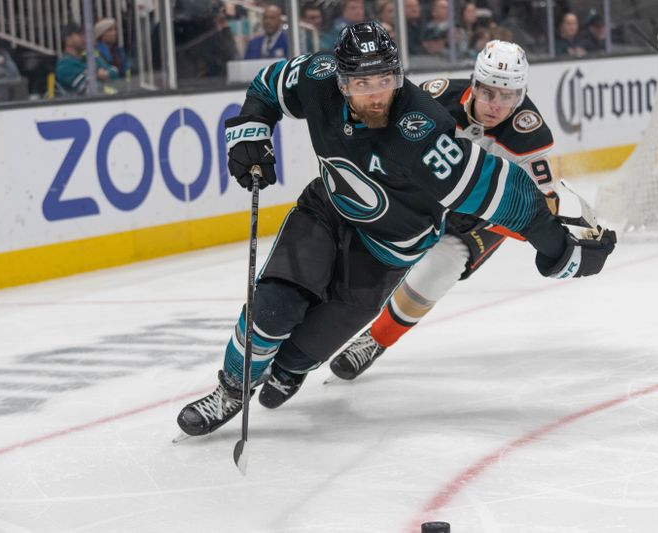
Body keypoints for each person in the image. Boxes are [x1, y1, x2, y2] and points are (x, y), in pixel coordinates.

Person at [175, 22, 616, 438]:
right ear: (341, 82)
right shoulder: (317, 76)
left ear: (400, 76)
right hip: (326, 212)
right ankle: (231, 390)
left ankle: (292, 367)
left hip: (388, 250)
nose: (376, 96)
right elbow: (268, 85)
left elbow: (513, 198)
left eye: (385, 80)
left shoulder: (422, 133)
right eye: (363, 84)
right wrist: (251, 128)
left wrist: (563, 253)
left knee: (308, 347)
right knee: (274, 306)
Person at [330, 40, 588, 380]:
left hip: (484, 214)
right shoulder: (433, 98)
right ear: (474, 84)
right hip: (423, 194)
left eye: (508, 96)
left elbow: (542, 210)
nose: (496, 105)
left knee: (445, 262)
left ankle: (375, 341)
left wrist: (494, 218)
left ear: (521, 94)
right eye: (489, 92)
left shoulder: (530, 135)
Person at [55, 22, 119, 96]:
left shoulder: (91, 58)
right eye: (80, 34)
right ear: (68, 39)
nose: (84, 38)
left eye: (84, 34)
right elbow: (89, 89)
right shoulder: (64, 65)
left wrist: (104, 74)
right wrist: (97, 74)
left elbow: (115, 72)